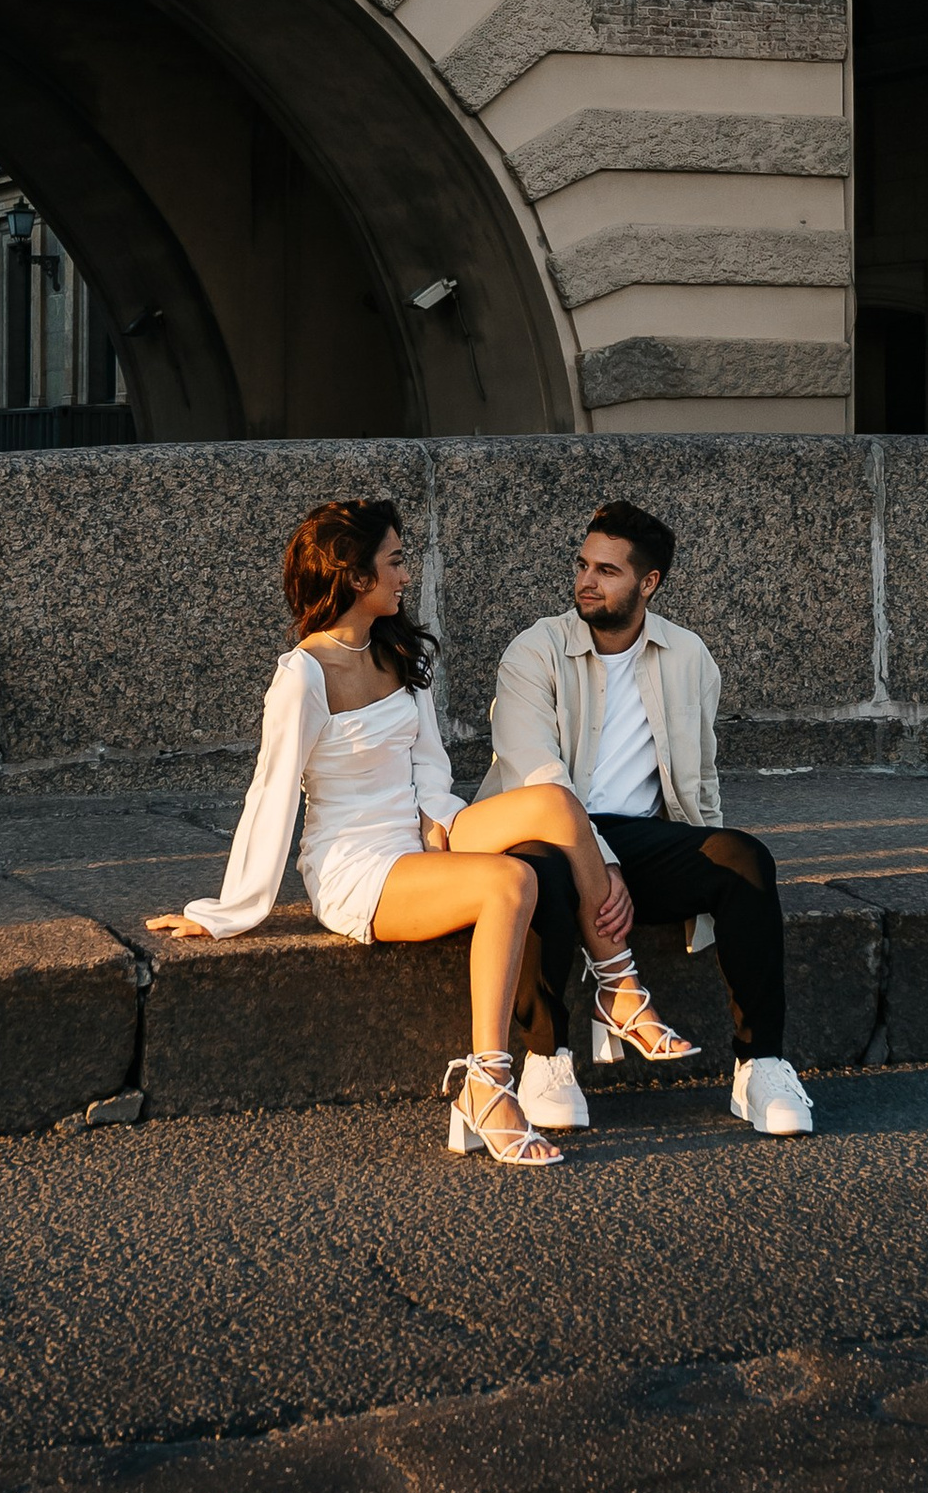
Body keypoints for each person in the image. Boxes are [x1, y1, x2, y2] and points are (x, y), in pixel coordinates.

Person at [147, 498, 674, 1171]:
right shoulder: (302, 676)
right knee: (513, 879)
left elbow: (429, 766)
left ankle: (618, 983)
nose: (406, 572)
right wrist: (230, 910)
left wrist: (442, 823)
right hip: (356, 863)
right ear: (355, 575)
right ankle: (487, 1083)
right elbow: (271, 793)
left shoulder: (397, 649)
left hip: (420, 828)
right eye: (395, 560)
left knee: (556, 804)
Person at [487, 499, 815, 1139]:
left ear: (649, 583)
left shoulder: (689, 656)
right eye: (583, 564)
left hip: (640, 836)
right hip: (547, 830)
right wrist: (598, 862)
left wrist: (701, 854)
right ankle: (546, 1060)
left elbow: (701, 775)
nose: (586, 580)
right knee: (540, 873)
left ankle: (762, 1065)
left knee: (743, 859)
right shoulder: (536, 650)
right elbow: (536, 773)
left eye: (607, 571)